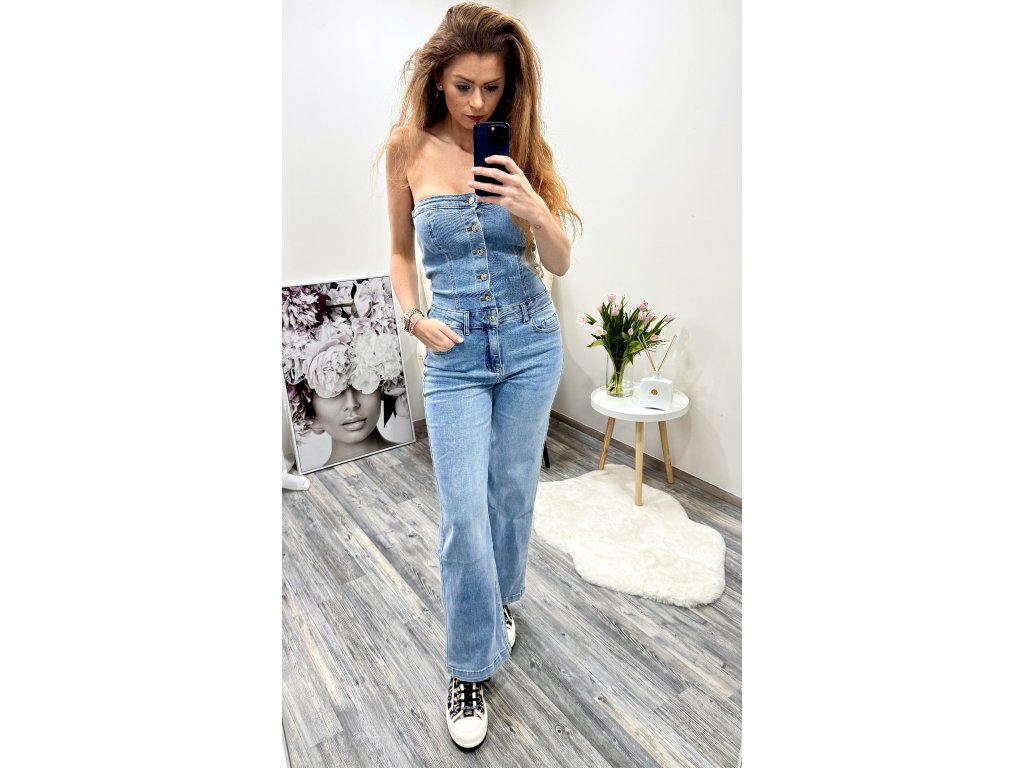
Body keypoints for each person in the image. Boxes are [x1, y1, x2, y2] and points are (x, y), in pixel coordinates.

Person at [382, 2, 581, 750]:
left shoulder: (519, 145)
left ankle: (499, 603)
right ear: (436, 79)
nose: (476, 103)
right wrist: (413, 316)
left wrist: (534, 208)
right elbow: (400, 252)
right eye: (463, 86)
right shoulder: (406, 148)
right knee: (462, 513)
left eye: (491, 88)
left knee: (512, 493)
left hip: (531, 341)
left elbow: (559, 261)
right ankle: (468, 666)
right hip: (454, 354)